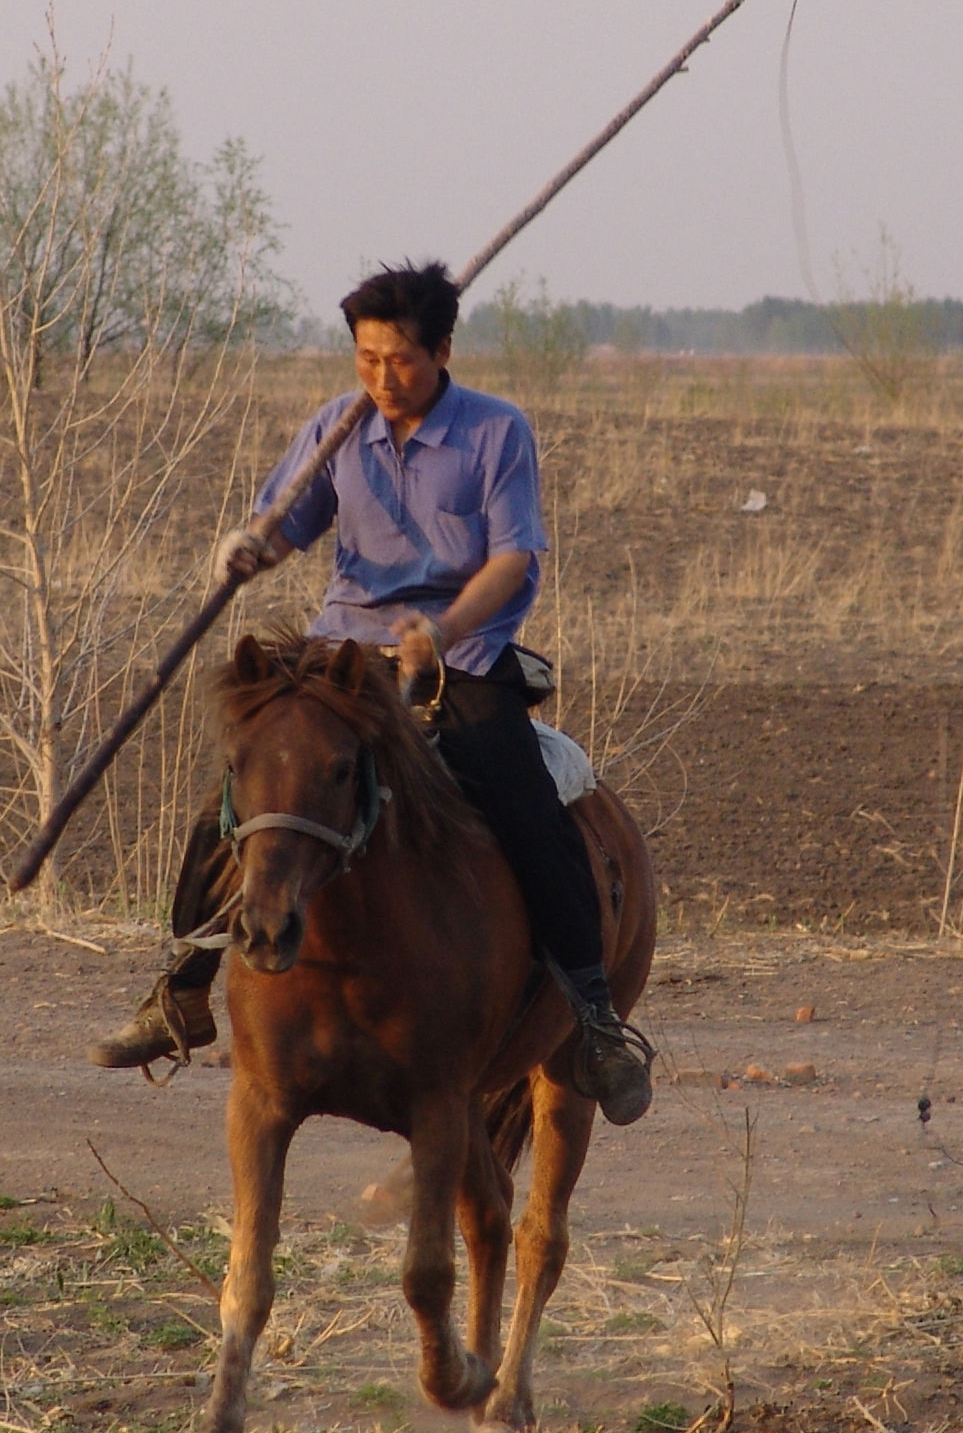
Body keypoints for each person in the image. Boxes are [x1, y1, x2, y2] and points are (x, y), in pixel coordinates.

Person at [85, 261, 655, 1126]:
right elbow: (284, 524)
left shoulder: (497, 433)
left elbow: (514, 561)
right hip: (343, 659)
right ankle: (186, 986)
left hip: (459, 662)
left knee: (527, 810)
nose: (382, 380)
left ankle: (592, 1016)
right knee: (245, 793)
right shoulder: (337, 426)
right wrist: (249, 547)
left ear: (443, 351)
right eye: (366, 359)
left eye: (400, 362)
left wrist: (445, 629)